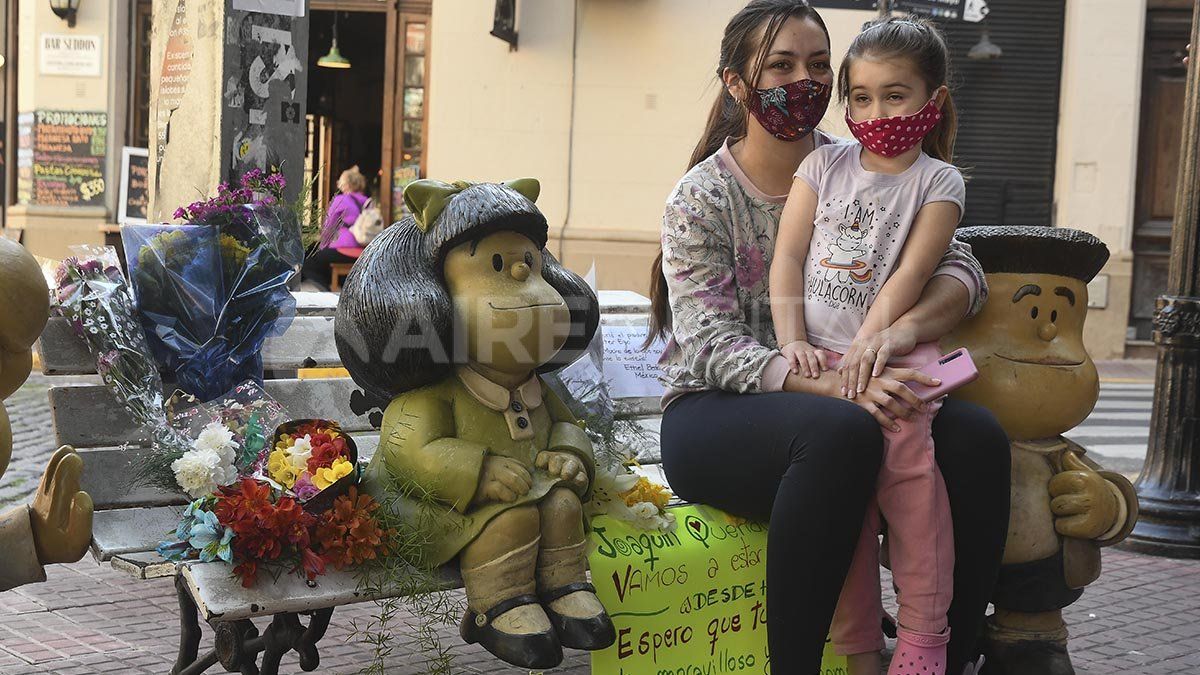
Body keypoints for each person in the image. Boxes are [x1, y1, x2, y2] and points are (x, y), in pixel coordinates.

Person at [647, 2, 1010, 673]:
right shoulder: (700, 198)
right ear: (735, 83)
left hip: (854, 381)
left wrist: (898, 331)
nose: (805, 81)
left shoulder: (865, 162)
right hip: (714, 411)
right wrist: (839, 387)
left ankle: (945, 656)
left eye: (819, 65)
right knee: (841, 433)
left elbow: (962, 267)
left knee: (976, 438)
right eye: (781, 66)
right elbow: (706, 344)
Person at [771, 17, 964, 675]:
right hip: (821, 362)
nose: (874, 111)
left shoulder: (939, 183)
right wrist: (791, 339)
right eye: (860, 96)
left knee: (912, 497)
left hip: (893, 361)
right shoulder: (822, 164)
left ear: (931, 100)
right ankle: (858, 649)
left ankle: (923, 638)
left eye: (894, 94)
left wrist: (869, 345)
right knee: (843, 511)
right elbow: (788, 255)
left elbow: (912, 275)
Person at [301, 166, 370, 290]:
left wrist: (321, 247)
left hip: (343, 249)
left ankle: (326, 291)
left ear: (347, 184)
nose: (338, 183)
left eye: (340, 181)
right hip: (364, 251)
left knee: (310, 262)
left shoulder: (340, 200)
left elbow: (329, 228)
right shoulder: (368, 202)